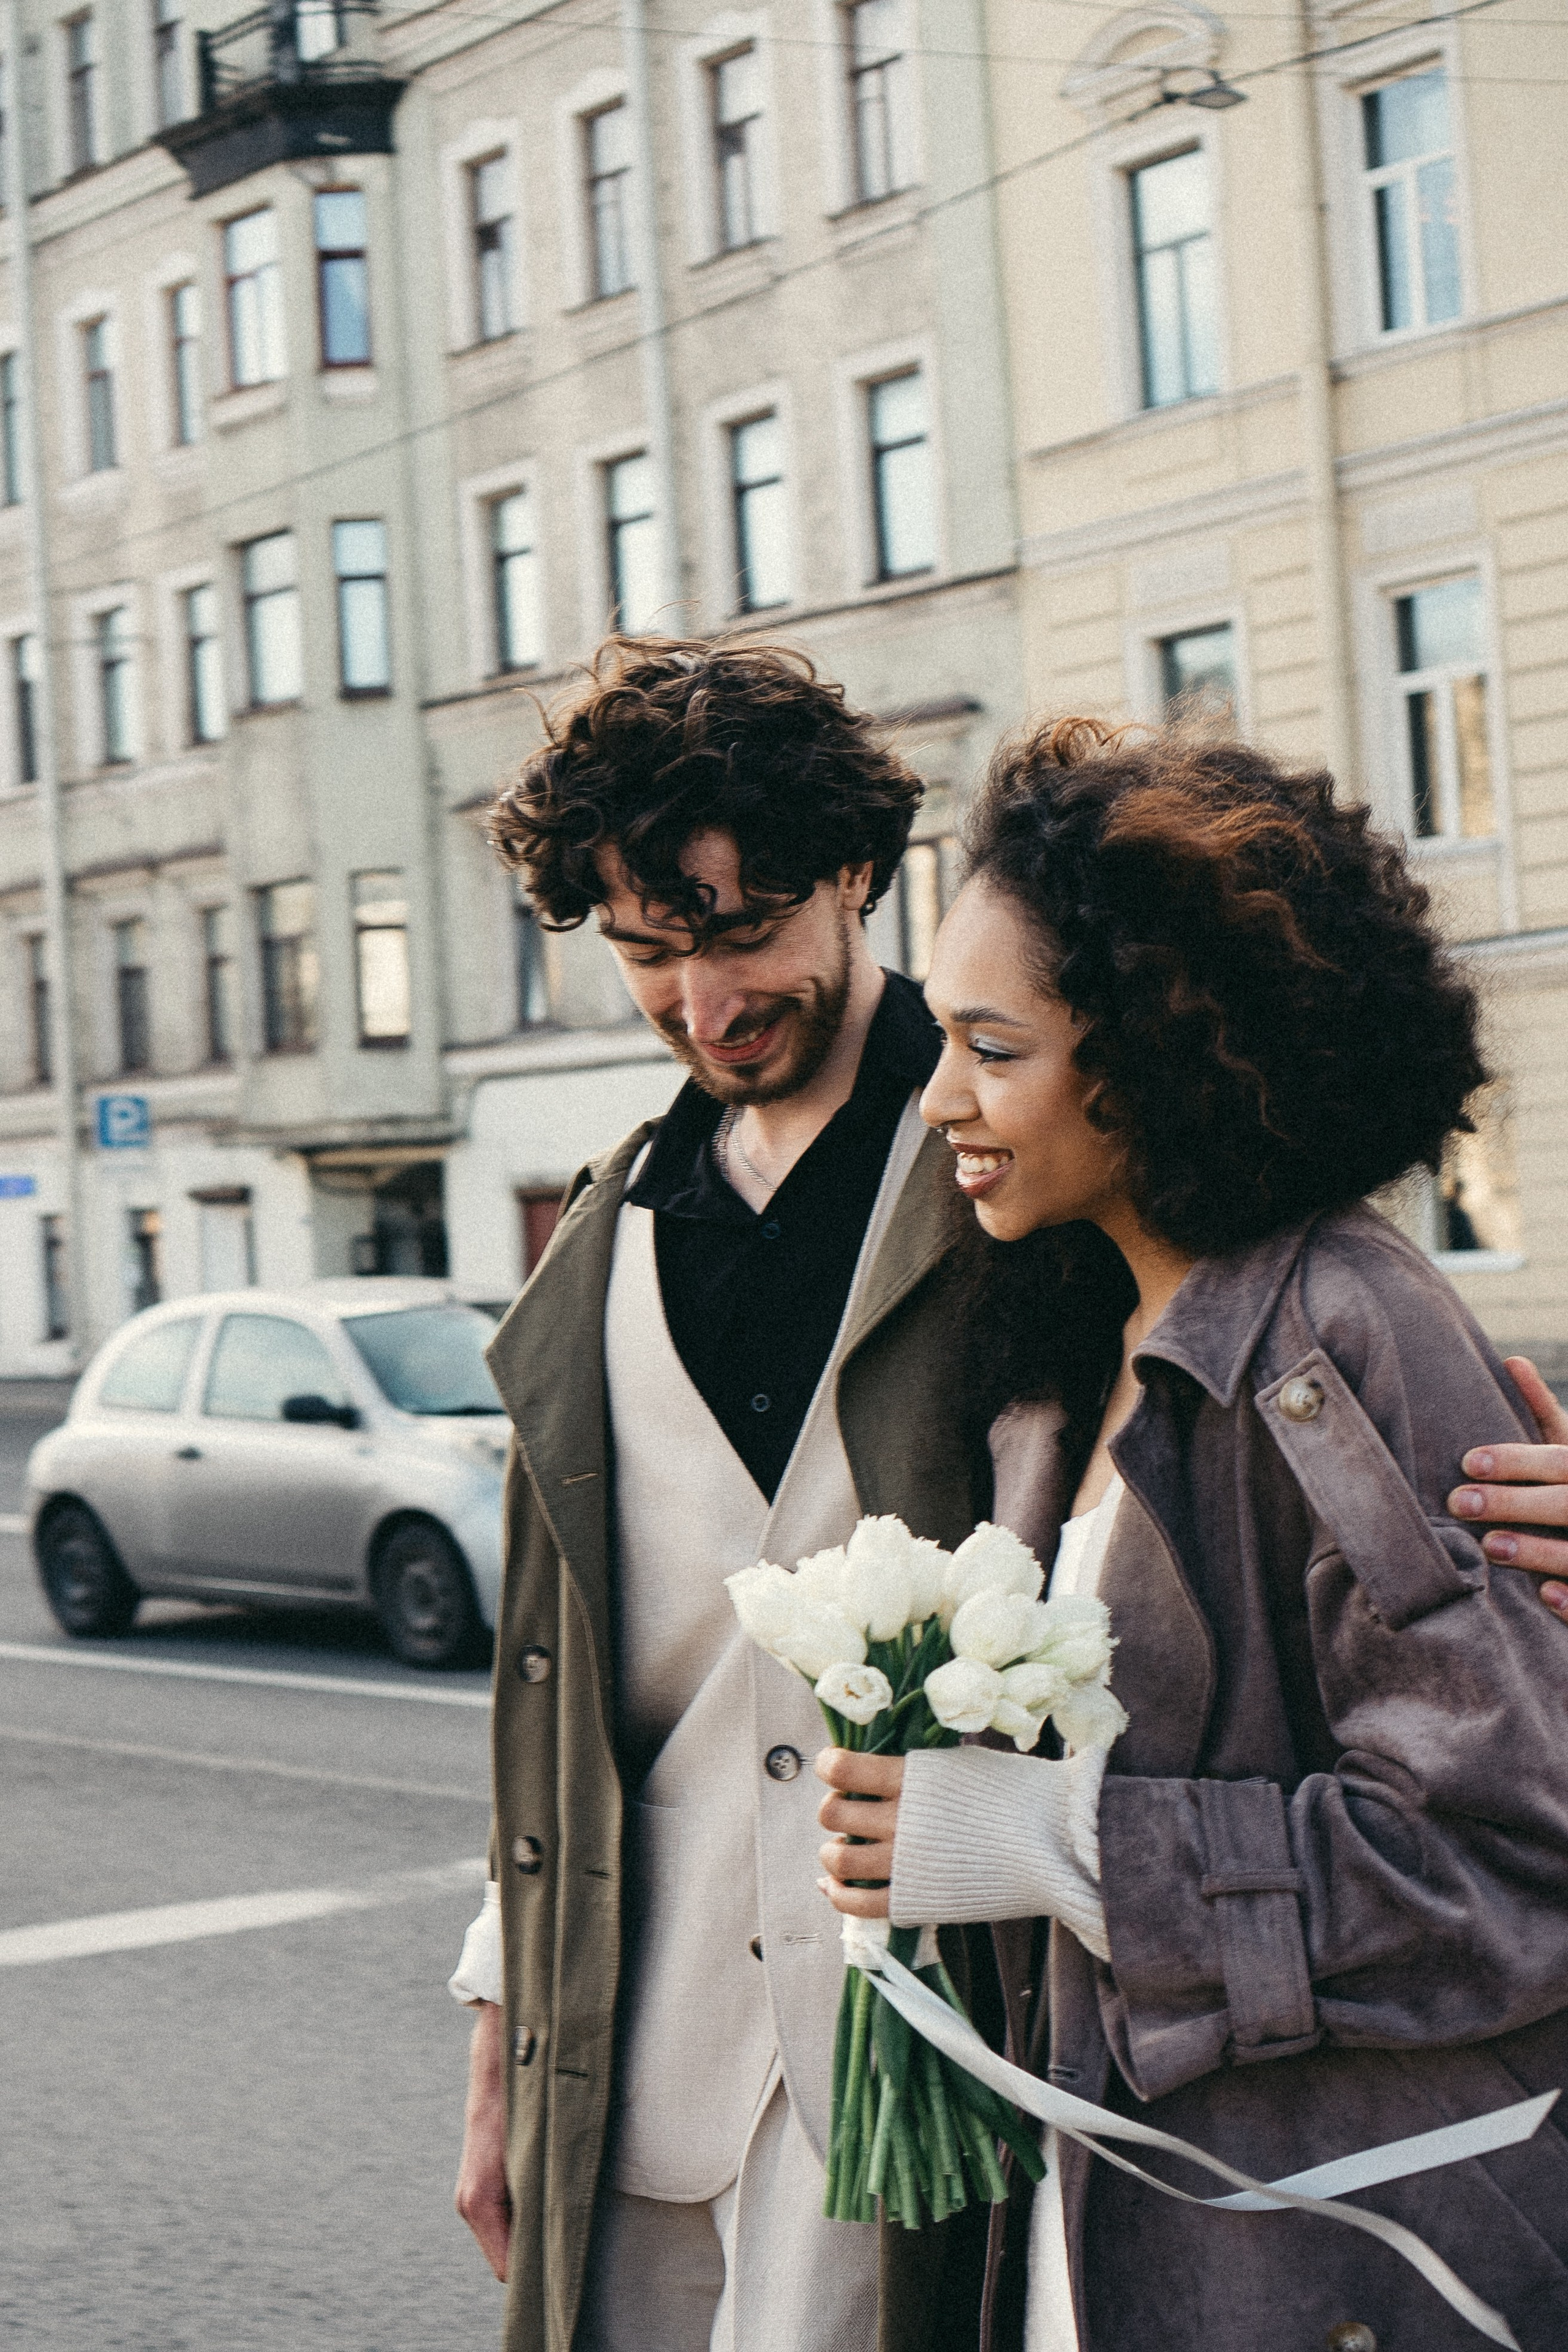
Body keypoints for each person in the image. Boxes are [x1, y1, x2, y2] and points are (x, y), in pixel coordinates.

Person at [816, 715, 1568, 2352]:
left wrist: (1050, 1842)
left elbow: (1503, 1867)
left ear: (1156, 1057)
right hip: (1126, 2242)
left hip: (1339, 2264)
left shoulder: (1343, 1345)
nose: (940, 1096)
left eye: (993, 1050)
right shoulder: (1063, 1347)